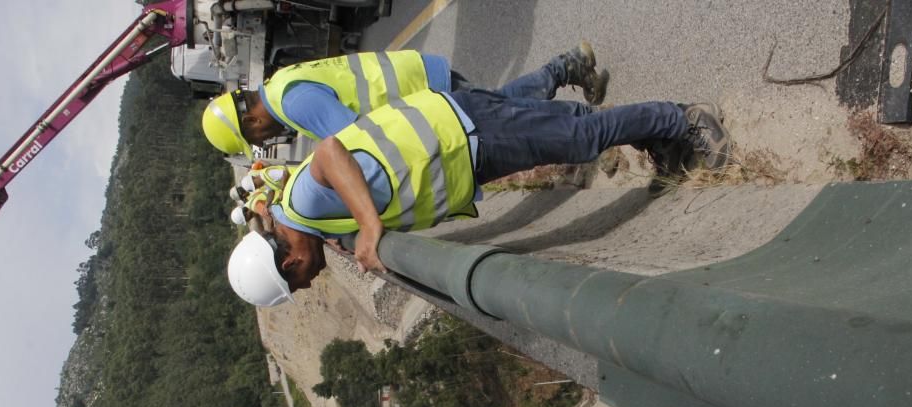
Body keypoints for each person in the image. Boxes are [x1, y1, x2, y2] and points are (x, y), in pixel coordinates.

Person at [224, 84, 731, 307]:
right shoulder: (306, 219)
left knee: (579, 141)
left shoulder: (306, 206)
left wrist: (371, 228)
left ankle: (680, 120)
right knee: (569, 132)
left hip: (458, 134)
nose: (310, 285)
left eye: (300, 284)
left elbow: (331, 153)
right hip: (457, 145)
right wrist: (351, 234)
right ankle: (653, 133)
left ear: (290, 263)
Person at [202, 45, 609, 156]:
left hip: (425, 95)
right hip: (421, 81)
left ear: (251, 122)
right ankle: (566, 67)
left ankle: (589, 120)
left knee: (510, 118)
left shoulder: (293, 104)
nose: (266, 140)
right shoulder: (280, 84)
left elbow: (357, 143)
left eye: (256, 139)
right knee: (502, 104)